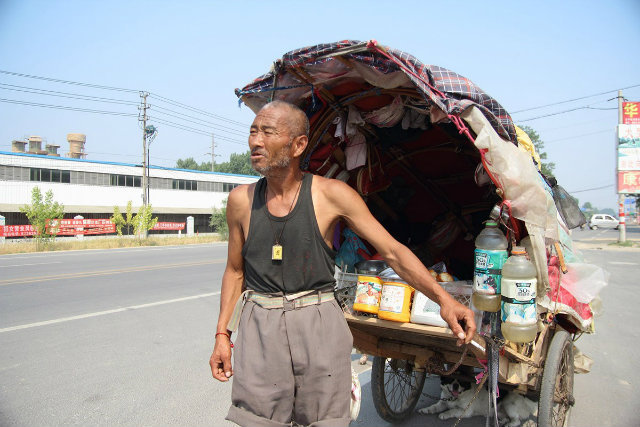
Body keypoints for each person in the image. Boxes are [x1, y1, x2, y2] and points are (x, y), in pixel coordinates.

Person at [209, 100, 476, 427]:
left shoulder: (331, 194)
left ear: (298, 145)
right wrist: (223, 333)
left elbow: (392, 251)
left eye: (267, 132)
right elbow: (235, 271)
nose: (255, 142)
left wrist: (445, 300)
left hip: (317, 321)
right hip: (260, 326)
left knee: (324, 421)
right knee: (259, 421)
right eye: (253, 132)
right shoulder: (240, 201)